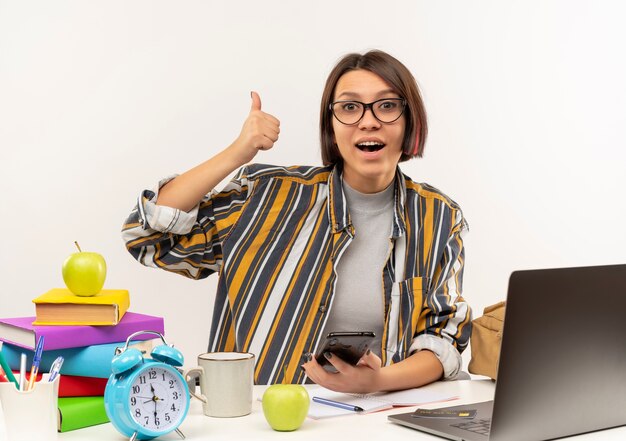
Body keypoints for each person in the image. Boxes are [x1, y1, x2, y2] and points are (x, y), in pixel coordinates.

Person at [122, 49, 471, 394]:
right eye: (349, 107)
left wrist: (378, 381)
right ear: (330, 126)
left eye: (387, 105)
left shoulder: (440, 217)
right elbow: (148, 236)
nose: (368, 121)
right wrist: (237, 152)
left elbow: (443, 340)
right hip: (259, 420)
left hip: (380, 419)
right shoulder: (264, 196)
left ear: (411, 120)